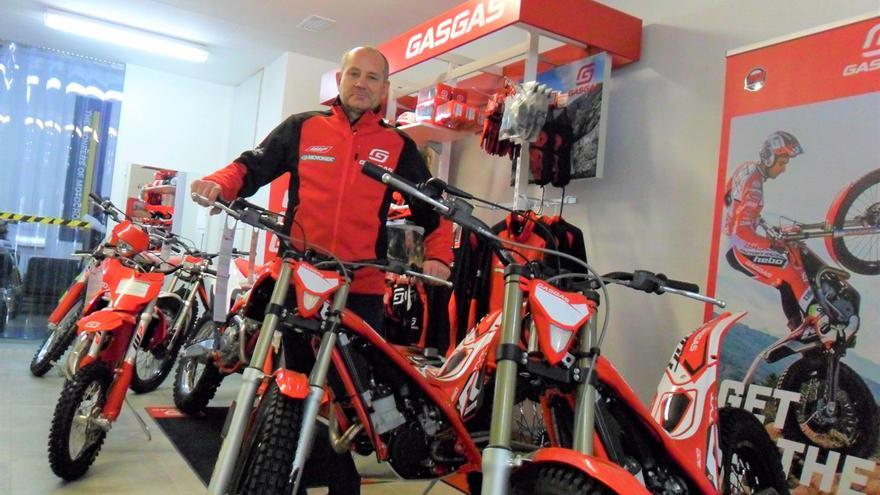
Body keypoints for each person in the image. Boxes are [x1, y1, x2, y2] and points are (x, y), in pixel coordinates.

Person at [191, 45, 453, 494]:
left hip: (361, 287)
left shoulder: (397, 145)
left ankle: (333, 470)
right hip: (299, 279)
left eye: (373, 78)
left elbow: (433, 210)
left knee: (351, 395)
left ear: (386, 89)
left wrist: (439, 255)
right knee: (296, 381)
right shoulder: (304, 127)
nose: (362, 84)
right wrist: (219, 183)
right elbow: (252, 165)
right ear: (340, 79)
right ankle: (290, 466)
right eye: (355, 74)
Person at [723, 131, 830, 337]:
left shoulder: (748, 169)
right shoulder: (754, 185)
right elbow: (742, 232)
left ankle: (798, 328)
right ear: (769, 157)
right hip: (740, 248)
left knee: (784, 283)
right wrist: (770, 243)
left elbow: (733, 202)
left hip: (736, 246)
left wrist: (761, 226)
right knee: (790, 270)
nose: (783, 169)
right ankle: (819, 319)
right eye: (782, 163)